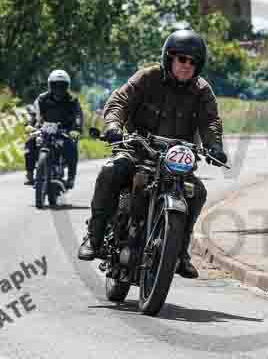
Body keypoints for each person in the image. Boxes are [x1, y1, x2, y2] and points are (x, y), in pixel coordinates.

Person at [77, 29, 228, 279]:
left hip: (176, 159)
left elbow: (210, 121)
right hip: (138, 150)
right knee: (111, 171)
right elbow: (120, 101)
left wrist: (215, 146)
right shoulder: (148, 77)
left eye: (192, 62)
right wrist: (114, 127)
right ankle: (93, 237)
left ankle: (179, 253)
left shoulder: (202, 90)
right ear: (169, 58)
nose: (186, 65)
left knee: (197, 192)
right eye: (181, 59)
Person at [24, 70, 82, 189]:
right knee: (30, 142)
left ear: (67, 86)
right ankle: (29, 174)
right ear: (50, 85)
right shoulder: (42, 98)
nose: (58, 89)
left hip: (65, 131)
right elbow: (35, 113)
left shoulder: (72, 100)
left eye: (62, 85)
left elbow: (78, 117)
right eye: (55, 85)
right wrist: (30, 124)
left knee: (72, 146)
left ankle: (71, 177)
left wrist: (76, 129)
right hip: (44, 129)